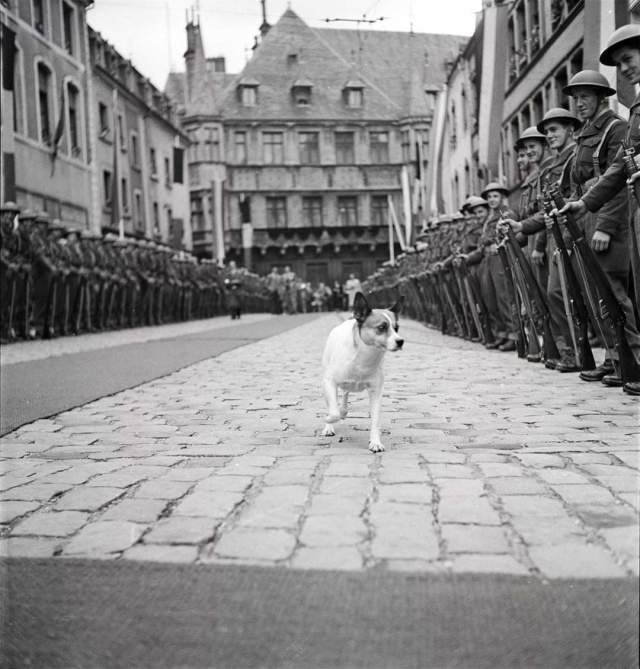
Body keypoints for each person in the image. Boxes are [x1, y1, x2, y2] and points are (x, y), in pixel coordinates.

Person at [557, 69, 640, 387]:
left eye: (585, 97)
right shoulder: (586, 134)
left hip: (610, 220)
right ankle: (615, 358)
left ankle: (633, 359)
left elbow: (619, 180)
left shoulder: (616, 128)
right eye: (575, 98)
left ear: (601, 98)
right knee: (597, 296)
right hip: (587, 218)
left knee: (615, 294)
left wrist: (605, 225)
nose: (579, 103)